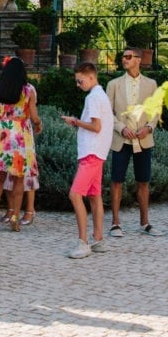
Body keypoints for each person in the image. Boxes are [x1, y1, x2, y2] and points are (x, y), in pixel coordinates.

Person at [106, 47, 163, 237]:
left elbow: (156, 111)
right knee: (116, 181)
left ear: (139, 59)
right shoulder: (114, 84)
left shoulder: (151, 84)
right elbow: (108, 113)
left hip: (144, 139)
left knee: (144, 181)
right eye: (123, 57)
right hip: (121, 140)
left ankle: (145, 222)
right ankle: (115, 223)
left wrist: (149, 127)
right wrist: (121, 128)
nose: (125, 60)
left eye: (129, 57)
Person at [61, 62, 114, 259]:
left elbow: (96, 126)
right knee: (94, 196)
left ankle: (83, 242)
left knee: (75, 195)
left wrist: (75, 121)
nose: (78, 84)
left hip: (91, 153)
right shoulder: (101, 96)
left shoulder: (93, 97)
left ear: (90, 77)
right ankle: (98, 238)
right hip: (97, 152)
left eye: (80, 80)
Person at [0, 56, 41, 232]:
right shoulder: (28, 90)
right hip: (21, 135)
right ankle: (15, 217)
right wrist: (38, 124)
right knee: (18, 179)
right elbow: (34, 115)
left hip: (2, 133)